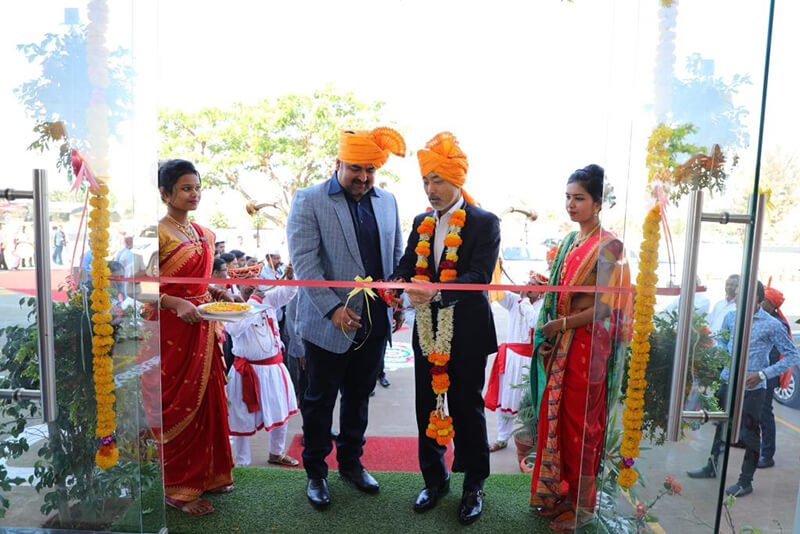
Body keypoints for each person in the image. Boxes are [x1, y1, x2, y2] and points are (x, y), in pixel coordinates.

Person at [287, 127, 406, 509]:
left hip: (374, 322)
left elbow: (396, 255)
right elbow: (305, 264)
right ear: (338, 163)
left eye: (370, 170)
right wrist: (333, 309)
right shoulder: (309, 200)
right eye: (356, 168)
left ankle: (351, 464)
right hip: (327, 323)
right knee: (319, 400)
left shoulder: (387, 201)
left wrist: (397, 298)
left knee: (359, 397)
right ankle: (316, 472)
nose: (363, 177)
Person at [391, 132, 500, 525]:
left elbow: (479, 277)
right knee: (426, 406)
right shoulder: (421, 222)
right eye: (426, 181)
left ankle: (474, 485)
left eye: (437, 180)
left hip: (467, 332)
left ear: (457, 180)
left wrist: (435, 291)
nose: (430, 189)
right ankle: (434, 481)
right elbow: (408, 264)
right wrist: (394, 284)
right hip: (426, 331)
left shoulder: (484, 222)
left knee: (467, 409)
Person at [529, 165, 631, 531]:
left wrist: (561, 325)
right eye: (568, 197)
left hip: (587, 347)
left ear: (599, 203)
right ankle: (557, 495)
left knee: (580, 425)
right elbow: (562, 293)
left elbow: (604, 307)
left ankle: (581, 508)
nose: (571, 205)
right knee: (556, 420)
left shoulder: (610, 246)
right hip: (563, 344)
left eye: (580, 198)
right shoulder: (571, 241)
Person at [143, 159, 235, 516]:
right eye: (185, 188)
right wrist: (176, 302)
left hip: (203, 329)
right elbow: (139, 288)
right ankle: (177, 488)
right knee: (177, 404)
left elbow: (199, 285)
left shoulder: (204, 233)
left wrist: (216, 292)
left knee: (208, 401)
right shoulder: (153, 234)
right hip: (170, 331)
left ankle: (208, 475)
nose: (194, 194)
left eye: (197, 187)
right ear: (165, 193)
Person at [687, 281, 800, 498]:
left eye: (740, 294)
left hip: (753, 388)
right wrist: (723, 358)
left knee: (750, 434)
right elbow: (722, 342)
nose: (736, 297)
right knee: (721, 426)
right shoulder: (731, 317)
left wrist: (762, 374)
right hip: (728, 381)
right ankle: (712, 467)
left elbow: (792, 356)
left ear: (756, 298)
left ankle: (745, 481)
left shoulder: (772, 325)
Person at [227, 282, 299, 467]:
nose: (252, 285)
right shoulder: (229, 304)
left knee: (280, 411)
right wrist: (253, 301)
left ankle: (277, 453)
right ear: (237, 285)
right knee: (240, 418)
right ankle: (241, 462)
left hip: (273, 369)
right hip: (244, 373)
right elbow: (235, 329)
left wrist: (291, 277)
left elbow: (288, 292)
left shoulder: (268, 299)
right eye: (246, 282)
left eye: (254, 279)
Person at [484, 273, 545, 452]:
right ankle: (502, 438)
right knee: (506, 397)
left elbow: (534, 322)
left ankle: (532, 439)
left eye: (533, 285)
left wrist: (524, 299)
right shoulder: (514, 300)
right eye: (528, 283)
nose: (528, 286)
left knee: (529, 400)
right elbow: (497, 292)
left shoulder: (543, 306)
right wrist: (496, 270)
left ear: (541, 290)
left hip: (530, 359)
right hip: (511, 358)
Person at [757, 283, 792, 469]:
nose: (760, 302)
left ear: (771, 305)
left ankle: (767, 454)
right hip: (757, 373)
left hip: (767, 375)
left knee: (765, 413)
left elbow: (779, 354)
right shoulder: (761, 318)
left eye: (763, 300)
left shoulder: (777, 324)